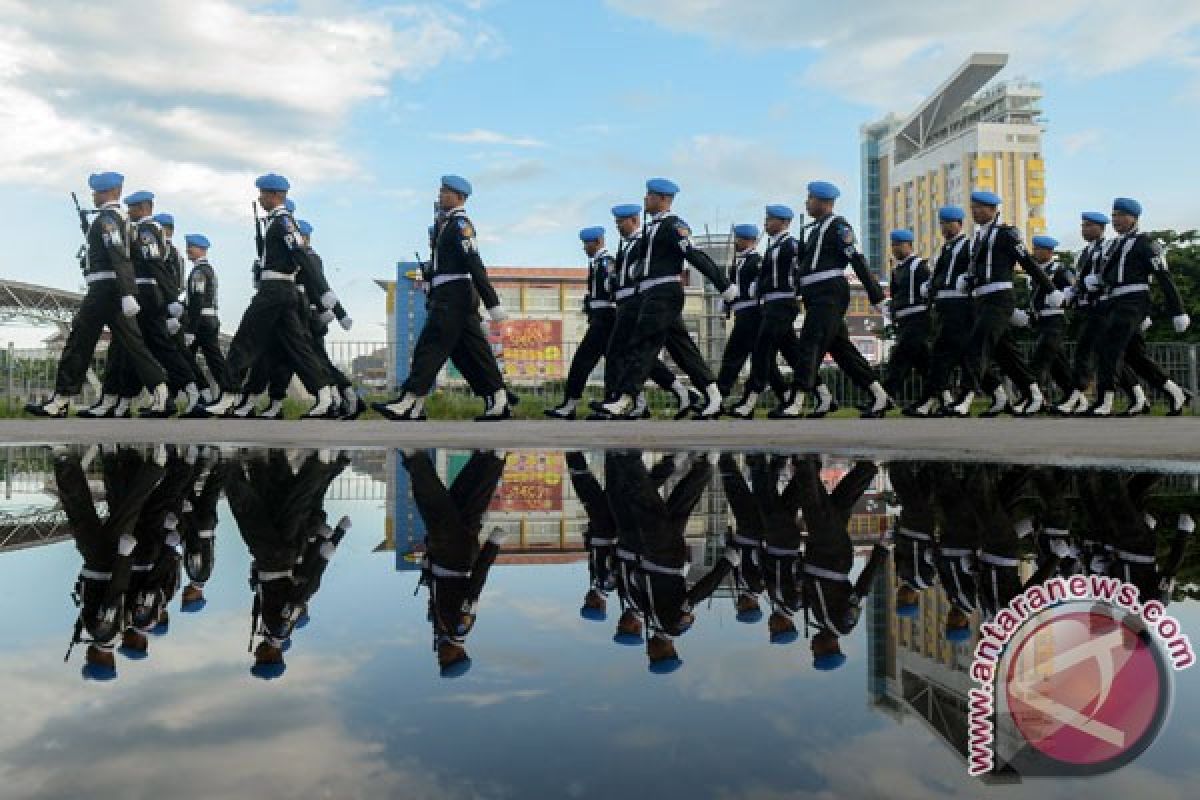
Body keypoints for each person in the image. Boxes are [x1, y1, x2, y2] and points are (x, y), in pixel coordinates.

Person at [26, 172, 169, 418]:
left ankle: (60, 399)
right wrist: (128, 290)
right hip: (114, 290)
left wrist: (127, 292)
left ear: (107, 192)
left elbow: (117, 253)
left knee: (79, 341)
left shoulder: (109, 219)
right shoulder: (124, 220)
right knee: (134, 345)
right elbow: (132, 255)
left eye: (95, 191)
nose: (93, 195)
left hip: (104, 290)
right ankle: (161, 390)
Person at [597, 179, 739, 420]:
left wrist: (724, 286)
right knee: (683, 350)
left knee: (642, 343)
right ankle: (713, 395)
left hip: (665, 293)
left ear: (663, 199)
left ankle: (624, 399)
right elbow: (642, 265)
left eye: (649, 195)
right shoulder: (651, 229)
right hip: (651, 295)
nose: (645, 199)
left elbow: (694, 255)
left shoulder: (674, 225)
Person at [374, 175, 513, 422]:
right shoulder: (445, 224)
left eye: (446, 192)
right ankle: (499, 397)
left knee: (430, 346)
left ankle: (408, 402)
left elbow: (474, 263)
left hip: (454, 296)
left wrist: (492, 303)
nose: (440, 195)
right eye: (440, 191)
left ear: (460, 197)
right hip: (450, 296)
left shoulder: (461, 224)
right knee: (472, 353)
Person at [202, 173, 337, 418]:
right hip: (283, 292)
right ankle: (324, 394)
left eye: (263, 193)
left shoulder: (283, 221)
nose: (260, 198)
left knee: (244, 340)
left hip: (274, 291)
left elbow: (301, 256)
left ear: (275, 195)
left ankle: (228, 395)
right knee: (299, 347)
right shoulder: (279, 221)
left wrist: (323, 292)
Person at [948, 190, 1062, 417]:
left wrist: (1050, 289)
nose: (975, 211)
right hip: (982, 299)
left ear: (993, 209)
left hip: (998, 298)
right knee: (1007, 355)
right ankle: (1035, 394)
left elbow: (1027, 262)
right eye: (973, 207)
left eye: (980, 207)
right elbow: (979, 268)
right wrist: (968, 279)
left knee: (977, 346)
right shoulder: (980, 237)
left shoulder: (1006, 233)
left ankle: (965, 398)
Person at [783, 181, 890, 419]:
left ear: (824, 202)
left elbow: (856, 259)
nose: (807, 202)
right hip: (816, 294)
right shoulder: (814, 230)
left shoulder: (838, 226)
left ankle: (796, 402)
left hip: (829, 293)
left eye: (810, 198)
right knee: (842, 351)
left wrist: (876, 296)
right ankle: (879, 395)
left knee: (810, 343)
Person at [587, 204, 698, 420]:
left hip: (642, 302)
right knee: (635, 354)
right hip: (629, 304)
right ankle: (640, 400)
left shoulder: (642, 241)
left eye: (621, 221)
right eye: (617, 222)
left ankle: (626, 400)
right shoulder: (626, 245)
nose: (618, 226)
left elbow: (642, 273)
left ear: (634, 220)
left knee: (635, 352)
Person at [402, 449, 506, 676]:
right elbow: (475, 585)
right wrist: (493, 547)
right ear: (459, 654)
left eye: (441, 662)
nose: (440, 658)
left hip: (449, 557)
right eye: (445, 661)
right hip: (453, 558)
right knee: (435, 509)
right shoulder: (460, 626)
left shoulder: (444, 630)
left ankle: (489, 458)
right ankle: (415, 457)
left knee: (464, 502)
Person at [1089, 197, 1191, 416]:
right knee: (1134, 356)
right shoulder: (1116, 244)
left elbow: (1164, 276)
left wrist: (1178, 310)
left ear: (1134, 218)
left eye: (1121, 215)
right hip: (1115, 302)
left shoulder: (1145, 243)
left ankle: (1105, 400)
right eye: (1114, 215)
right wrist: (1098, 281)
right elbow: (1111, 273)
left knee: (1110, 347)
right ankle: (1175, 392)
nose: (1116, 219)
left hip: (1134, 301)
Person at [730, 206, 808, 419]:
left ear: (783, 222)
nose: (766, 223)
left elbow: (803, 269)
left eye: (770, 219)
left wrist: (799, 292)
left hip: (783, 303)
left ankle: (750, 400)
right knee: (793, 354)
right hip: (771, 305)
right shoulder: (773, 247)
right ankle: (822, 394)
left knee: (762, 350)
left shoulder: (791, 245)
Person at [545, 227, 618, 419]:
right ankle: (612, 404)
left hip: (606, 318)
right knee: (614, 363)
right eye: (584, 244)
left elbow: (612, 287)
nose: (585, 248)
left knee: (582, 361)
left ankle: (571, 405)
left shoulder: (605, 262)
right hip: (601, 316)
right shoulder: (597, 263)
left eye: (588, 243)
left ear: (599, 242)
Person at [923, 206, 975, 416]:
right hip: (944, 307)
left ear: (959, 224)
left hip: (960, 306)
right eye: (942, 224)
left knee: (944, 354)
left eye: (949, 223)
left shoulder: (968, 245)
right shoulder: (945, 249)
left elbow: (974, 268)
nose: (944, 228)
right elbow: (940, 275)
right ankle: (996, 392)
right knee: (958, 355)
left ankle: (930, 399)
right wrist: (931, 286)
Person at [1018, 235, 1077, 413]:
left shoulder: (1059, 270)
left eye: (1038, 249)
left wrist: (1062, 299)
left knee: (1040, 359)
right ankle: (1075, 396)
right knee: (1058, 366)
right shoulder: (1034, 271)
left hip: (1055, 319)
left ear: (1049, 251)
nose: (1035, 252)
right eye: (1034, 248)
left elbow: (1071, 291)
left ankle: (1031, 396)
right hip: (1041, 320)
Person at [879, 230, 933, 415]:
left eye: (899, 244)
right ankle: (944, 395)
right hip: (903, 319)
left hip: (917, 318)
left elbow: (928, 290)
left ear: (909, 245)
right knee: (923, 363)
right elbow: (895, 296)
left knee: (899, 358)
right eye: (893, 244)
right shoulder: (897, 269)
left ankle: (886, 396)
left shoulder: (918, 265)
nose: (895, 248)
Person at [181, 234, 231, 413]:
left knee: (205, 358)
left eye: (192, 247)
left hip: (201, 320)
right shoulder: (202, 270)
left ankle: (220, 392)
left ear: (202, 249)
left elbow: (197, 300)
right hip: (206, 319)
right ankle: (211, 393)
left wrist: (191, 329)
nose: (188, 250)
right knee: (203, 358)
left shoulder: (200, 272)